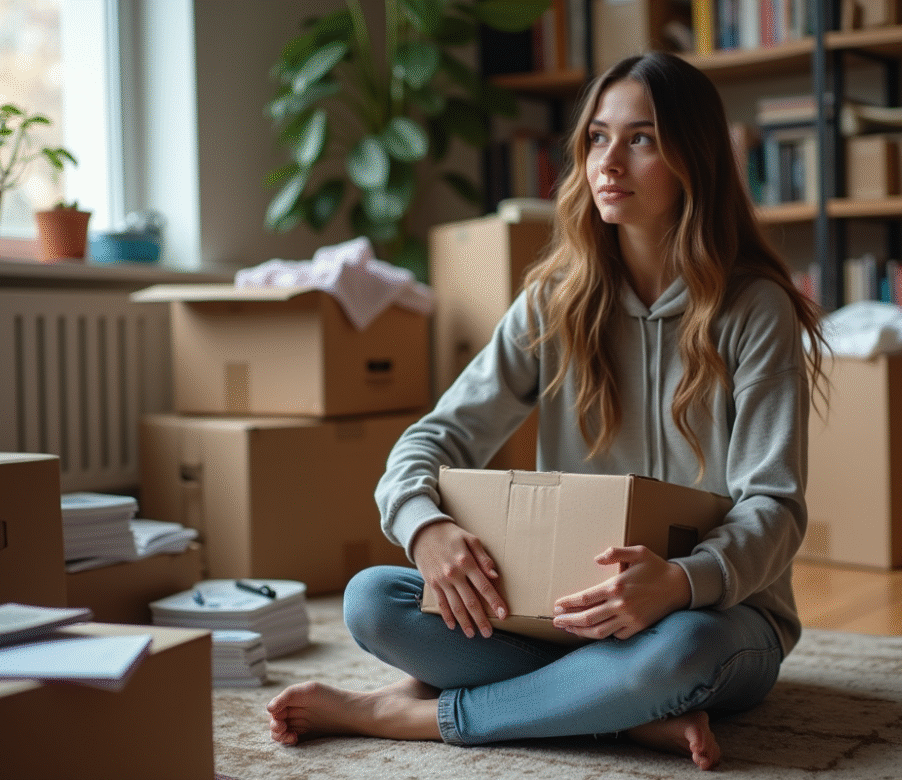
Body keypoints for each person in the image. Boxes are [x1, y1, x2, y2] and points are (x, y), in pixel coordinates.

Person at [267, 50, 827, 771]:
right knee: (373, 600)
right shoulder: (556, 302)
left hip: (714, 616)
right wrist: (426, 527)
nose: (609, 161)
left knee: (682, 654)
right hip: (563, 618)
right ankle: (619, 717)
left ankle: (410, 715)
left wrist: (681, 581)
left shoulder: (757, 310)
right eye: (597, 137)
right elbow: (435, 438)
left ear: (696, 158)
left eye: (642, 138)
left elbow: (775, 506)